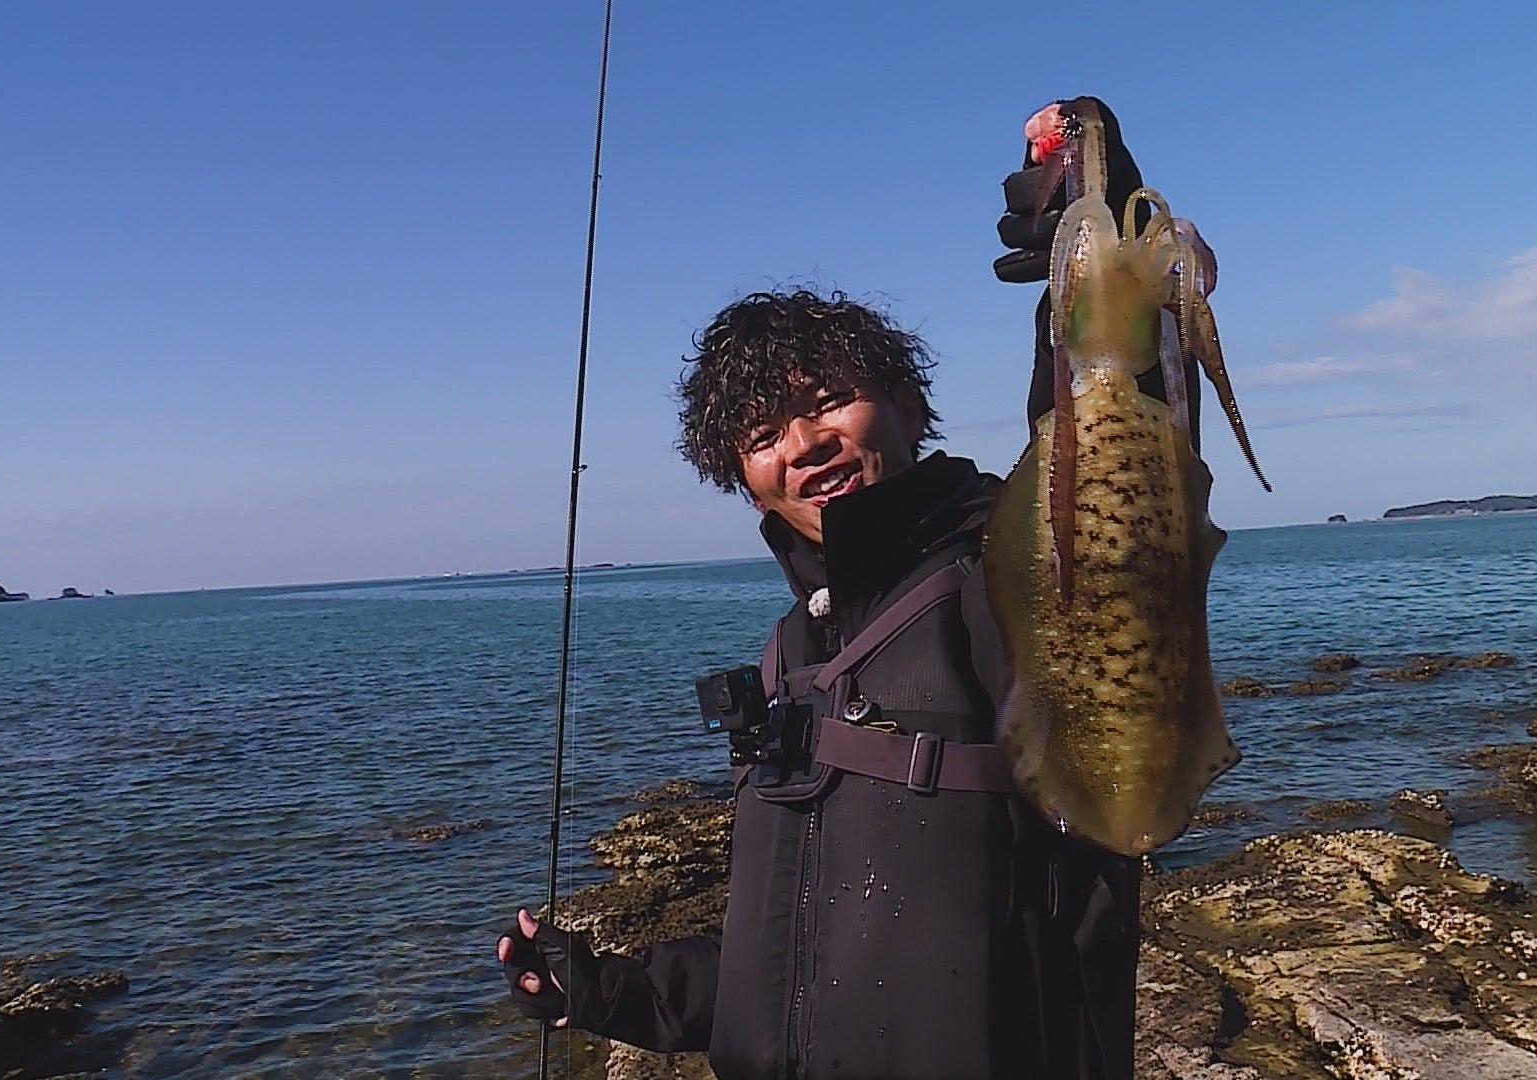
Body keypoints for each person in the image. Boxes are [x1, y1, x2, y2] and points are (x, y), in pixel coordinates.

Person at [499, 97, 1195, 1080]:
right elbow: (786, 959)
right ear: (740, 474)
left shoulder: (1008, 579)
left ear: (909, 403)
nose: (804, 445)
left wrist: (1107, 260)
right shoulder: (796, 653)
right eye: (762, 432)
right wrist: (606, 989)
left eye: (829, 399)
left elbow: (1120, 478)